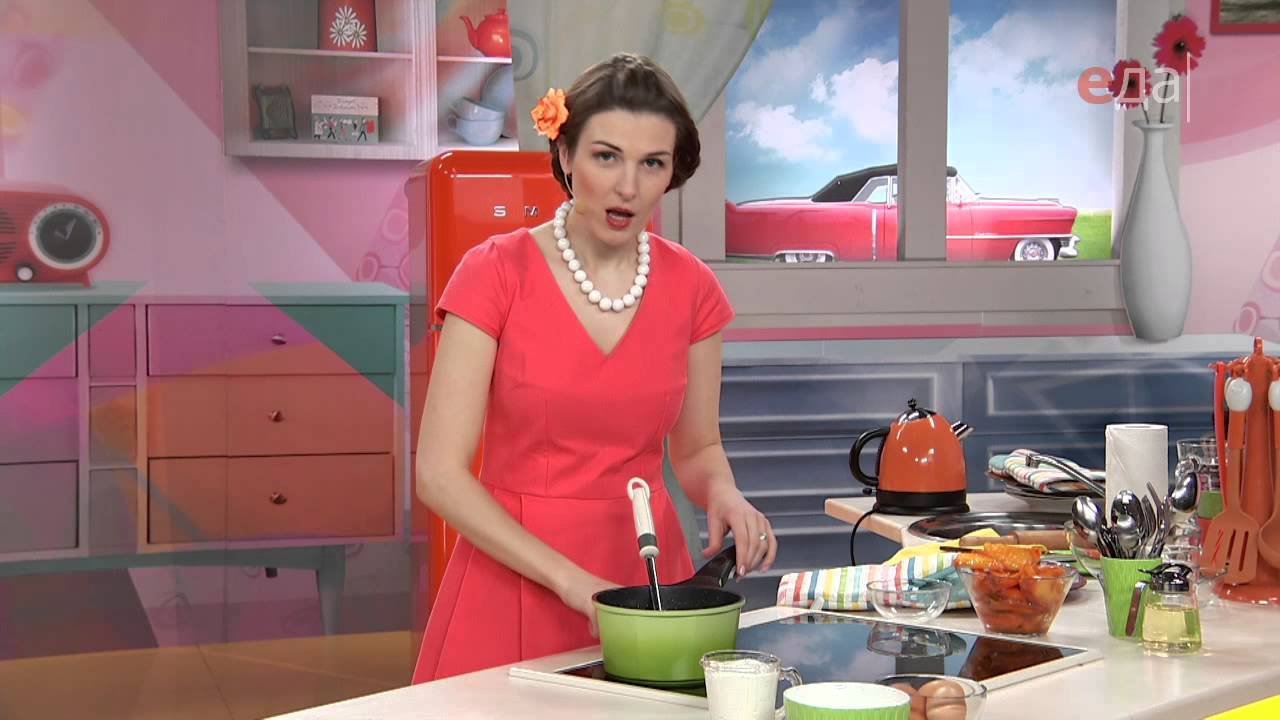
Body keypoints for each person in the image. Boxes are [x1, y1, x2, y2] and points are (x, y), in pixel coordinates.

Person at [411, 52, 777, 683]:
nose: (628, 187)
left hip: (644, 577)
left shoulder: (692, 287)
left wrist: (724, 493)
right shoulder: (493, 273)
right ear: (565, 155)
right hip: (514, 576)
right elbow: (439, 475)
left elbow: (697, 449)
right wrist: (571, 582)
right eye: (606, 157)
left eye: (652, 163)